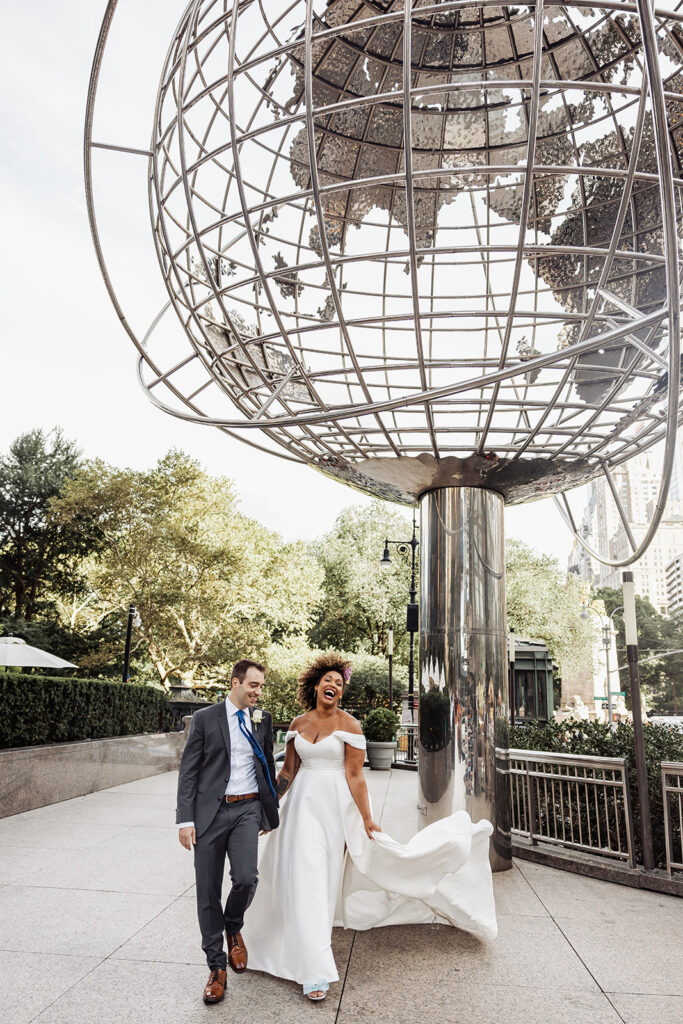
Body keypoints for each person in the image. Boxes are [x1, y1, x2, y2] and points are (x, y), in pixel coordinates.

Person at [242, 652, 497, 1002]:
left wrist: (365, 820)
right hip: (298, 812)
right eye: (328, 680)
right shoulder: (298, 725)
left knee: (317, 881)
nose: (333, 685)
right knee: (294, 879)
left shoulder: (350, 726)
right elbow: (287, 773)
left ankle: (315, 971)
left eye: (339, 683)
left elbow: (355, 776)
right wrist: (267, 811)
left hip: (331, 812)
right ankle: (274, 945)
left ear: (341, 693)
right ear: (315, 686)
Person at [176, 659, 279, 1005]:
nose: (257, 692)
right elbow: (189, 770)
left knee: (247, 878)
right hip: (210, 813)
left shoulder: (261, 719)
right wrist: (184, 820)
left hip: (248, 808)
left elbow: (267, 762)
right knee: (207, 890)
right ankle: (216, 968)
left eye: (261, 686)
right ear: (235, 682)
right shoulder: (206, 718)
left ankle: (233, 925)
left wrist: (268, 811)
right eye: (253, 685)